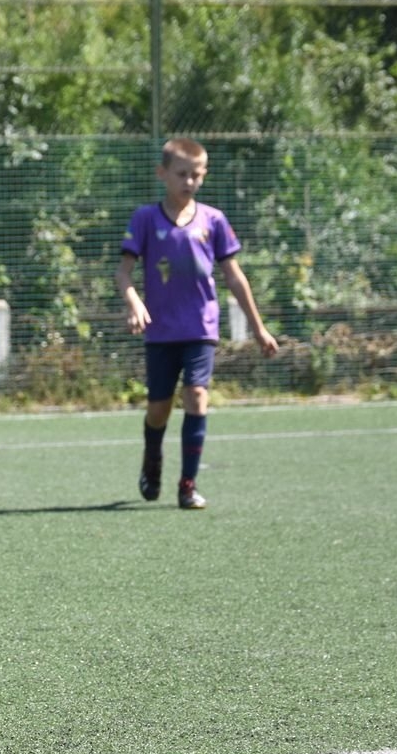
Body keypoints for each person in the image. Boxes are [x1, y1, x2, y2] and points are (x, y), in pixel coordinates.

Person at [115, 137, 278, 509]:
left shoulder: (213, 220)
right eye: (181, 174)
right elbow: (123, 272)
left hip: (201, 327)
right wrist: (134, 301)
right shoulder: (145, 219)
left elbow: (234, 276)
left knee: (197, 396)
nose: (189, 182)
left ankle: (188, 485)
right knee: (158, 409)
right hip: (160, 330)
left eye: (196, 175)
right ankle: (152, 458)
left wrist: (258, 328)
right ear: (162, 173)